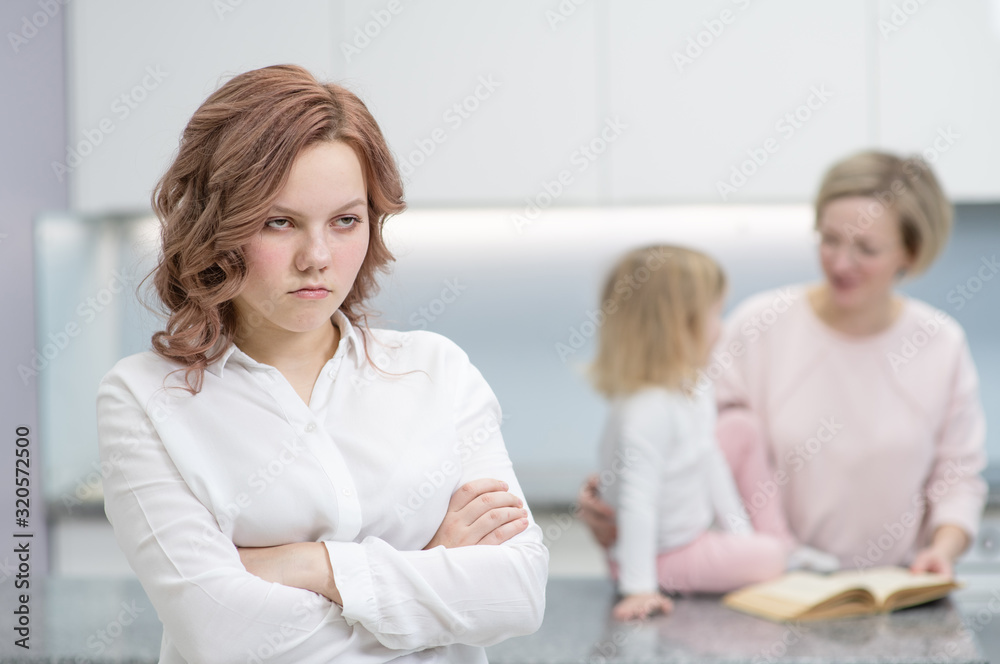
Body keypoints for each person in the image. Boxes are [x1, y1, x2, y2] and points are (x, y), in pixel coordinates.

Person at [96, 64, 547, 663]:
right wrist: (428, 571)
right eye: (278, 221)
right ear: (216, 227)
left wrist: (310, 564)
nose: (317, 258)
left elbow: (515, 594)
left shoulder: (436, 370)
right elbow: (224, 635)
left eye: (345, 221)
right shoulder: (143, 397)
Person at [580, 151, 986, 581]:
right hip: (773, 595)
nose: (841, 262)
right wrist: (612, 487)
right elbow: (686, 444)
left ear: (912, 252)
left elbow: (957, 477)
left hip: (895, 588)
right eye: (829, 239)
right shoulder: (758, 326)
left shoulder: (941, 345)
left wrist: (943, 548)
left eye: (865, 248)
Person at [590, 245, 836, 622]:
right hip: (661, 557)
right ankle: (778, 555)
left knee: (741, 429)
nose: (721, 329)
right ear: (678, 327)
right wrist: (639, 588)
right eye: (714, 315)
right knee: (767, 558)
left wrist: (742, 540)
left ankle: (781, 547)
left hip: (688, 539)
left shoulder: (694, 387)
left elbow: (710, 461)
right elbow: (638, 502)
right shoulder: (646, 411)